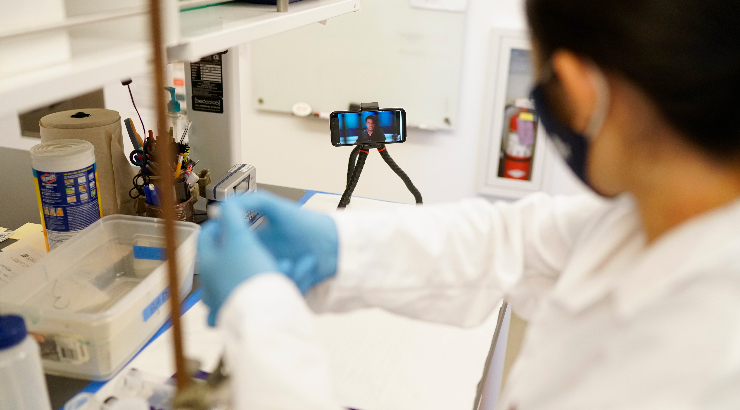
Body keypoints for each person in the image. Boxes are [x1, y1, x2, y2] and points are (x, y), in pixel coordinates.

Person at [196, 0, 740, 408]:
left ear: (580, 90)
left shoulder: (707, 364)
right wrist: (342, 246)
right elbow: (516, 242)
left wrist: (259, 315)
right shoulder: (655, 214)